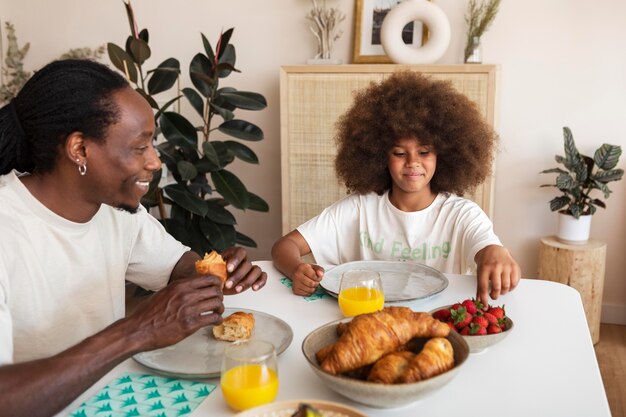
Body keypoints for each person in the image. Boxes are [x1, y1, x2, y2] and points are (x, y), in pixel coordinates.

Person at [0, 59, 266, 417]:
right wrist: (135, 331)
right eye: (140, 147)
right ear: (79, 149)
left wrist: (216, 272)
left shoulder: (113, 210)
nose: (155, 162)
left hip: (111, 399)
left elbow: (177, 266)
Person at [272, 71, 520, 305]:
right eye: (400, 153)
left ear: (444, 154)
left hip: (438, 324)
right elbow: (285, 247)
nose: (413, 162)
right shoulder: (359, 208)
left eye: (424, 152)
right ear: (379, 156)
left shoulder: (462, 214)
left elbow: (488, 249)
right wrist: (297, 269)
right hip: (364, 320)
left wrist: (495, 254)